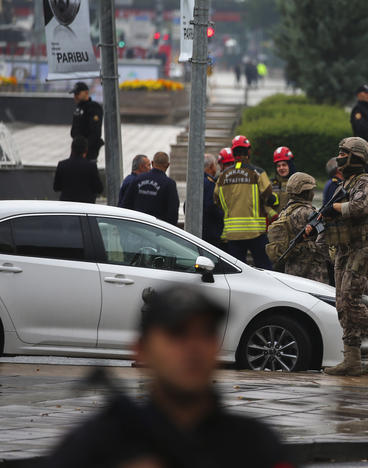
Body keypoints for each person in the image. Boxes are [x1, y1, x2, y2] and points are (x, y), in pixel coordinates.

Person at [47, 287, 296, 467]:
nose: (194, 347)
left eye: (206, 333)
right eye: (177, 333)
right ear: (141, 351)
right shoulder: (97, 444)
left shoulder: (253, 443)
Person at [320, 137, 368, 376]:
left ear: (356, 156)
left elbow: (359, 208)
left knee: (353, 301)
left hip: (362, 249)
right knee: (342, 305)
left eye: (344, 153)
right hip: (345, 249)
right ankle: (352, 358)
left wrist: (333, 209)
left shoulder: (365, 182)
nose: (340, 157)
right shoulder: (346, 183)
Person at [215, 135, 275, 269]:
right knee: (265, 269)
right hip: (256, 231)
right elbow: (268, 196)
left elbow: (217, 199)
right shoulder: (257, 172)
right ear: (248, 152)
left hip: (232, 233)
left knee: (237, 272)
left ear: (233, 152)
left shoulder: (223, 175)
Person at [266, 172, 329, 284]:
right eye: (311, 190)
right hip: (311, 270)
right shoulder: (307, 213)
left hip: (291, 268)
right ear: (305, 192)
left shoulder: (285, 211)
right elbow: (325, 240)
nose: (313, 193)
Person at [122, 152, 180, 226]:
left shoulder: (138, 179)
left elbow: (126, 204)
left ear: (152, 163)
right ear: (168, 165)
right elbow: (173, 212)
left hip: (136, 227)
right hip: (157, 229)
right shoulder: (169, 184)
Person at [53, 136, 103, 203]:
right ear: (86, 150)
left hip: (66, 205)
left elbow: (56, 187)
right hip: (86, 206)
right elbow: (99, 189)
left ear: (72, 149)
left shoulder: (62, 165)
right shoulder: (91, 166)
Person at [70, 81, 103, 160]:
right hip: (77, 149)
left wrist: (85, 149)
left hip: (88, 150)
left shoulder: (94, 107)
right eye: (74, 94)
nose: (75, 96)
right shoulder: (79, 108)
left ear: (86, 93)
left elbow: (95, 132)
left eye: (77, 94)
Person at [203, 153, 224, 247]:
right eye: (215, 165)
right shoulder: (210, 184)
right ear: (211, 166)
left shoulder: (197, 181)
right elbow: (211, 206)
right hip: (211, 233)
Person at [270, 146, 296, 218]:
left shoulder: (297, 183)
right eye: (278, 166)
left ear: (290, 166)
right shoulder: (270, 184)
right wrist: (273, 215)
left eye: (284, 165)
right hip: (275, 225)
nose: (281, 168)